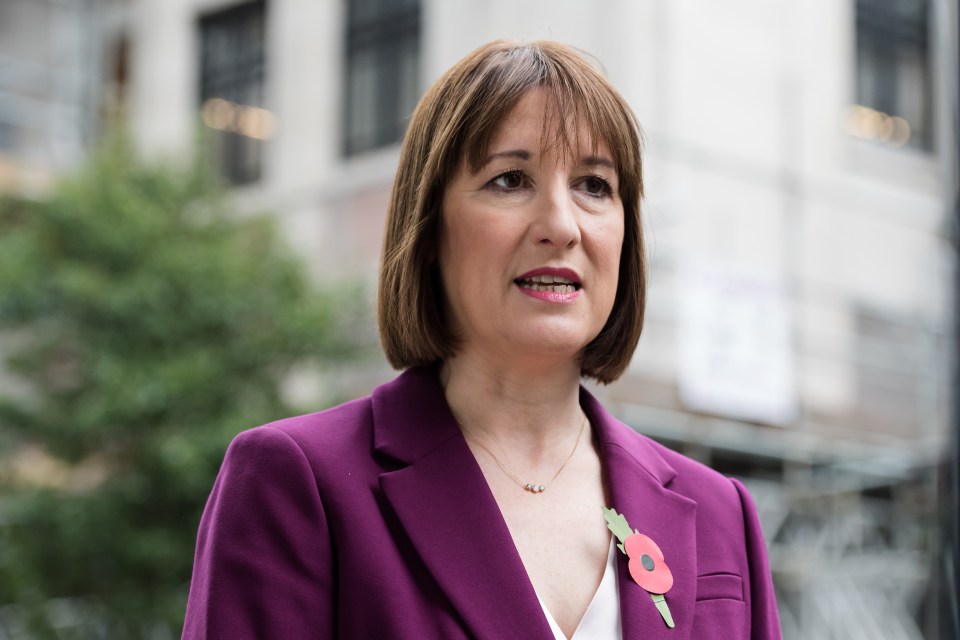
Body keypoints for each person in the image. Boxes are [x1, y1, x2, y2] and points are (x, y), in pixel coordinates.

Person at [182, 39, 781, 640]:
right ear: (430, 227)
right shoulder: (299, 481)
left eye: (595, 186)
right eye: (510, 179)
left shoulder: (721, 512)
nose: (561, 226)